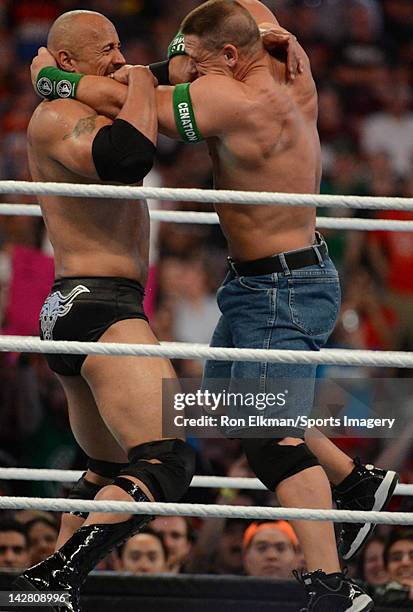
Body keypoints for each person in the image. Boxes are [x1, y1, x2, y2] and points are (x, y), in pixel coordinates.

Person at [30, 1, 397, 608]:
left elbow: (134, 120)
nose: (183, 71)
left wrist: (58, 79)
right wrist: (258, 35)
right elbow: (224, 30)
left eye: (196, 64)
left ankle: (333, 586)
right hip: (264, 281)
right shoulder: (288, 72)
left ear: (228, 58)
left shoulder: (227, 100)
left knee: (267, 431)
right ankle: (356, 482)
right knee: (229, 410)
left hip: (280, 286)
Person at [15, 10, 196, 611]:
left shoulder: (78, 97)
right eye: (105, 51)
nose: (120, 59)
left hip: (87, 307)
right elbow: (125, 158)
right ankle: (57, 575)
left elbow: (173, 83)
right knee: (166, 460)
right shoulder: (55, 116)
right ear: (68, 61)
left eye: (121, 47)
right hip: (97, 303)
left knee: (104, 470)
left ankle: (44, 592)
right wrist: (140, 82)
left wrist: (120, 77)